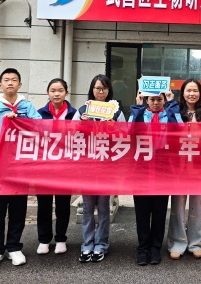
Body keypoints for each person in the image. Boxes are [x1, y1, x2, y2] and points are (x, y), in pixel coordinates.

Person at [0, 68, 42, 270]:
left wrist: (21, 121)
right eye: (6, 80)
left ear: (20, 84)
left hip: (21, 168)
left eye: (14, 80)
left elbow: (40, 128)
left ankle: (14, 247)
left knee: (18, 210)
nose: (10, 83)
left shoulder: (27, 107)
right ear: (0, 85)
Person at [73, 75, 125, 263]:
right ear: (92, 90)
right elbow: (70, 133)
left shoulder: (116, 112)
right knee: (87, 208)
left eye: (104, 88)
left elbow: (125, 135)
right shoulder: (82, 111)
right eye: (97, 88)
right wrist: (82, 125)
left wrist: (113, 127)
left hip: (107, 167)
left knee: (104, 208)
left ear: (109, 90)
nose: (100, 91)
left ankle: (101, 244)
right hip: (87, 167)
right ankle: (87, 244)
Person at [129, 89, 182, 266]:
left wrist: (172, 104)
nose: (156, 103)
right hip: (141, 168)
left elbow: (180, 129)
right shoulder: (140, 113)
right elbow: (129, 131)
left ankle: (155, 249)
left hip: (163, 168)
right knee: (142, 212)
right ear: (146, 100)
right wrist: (137, 107)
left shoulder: (169, 114)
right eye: (152, 99)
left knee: (159, 212)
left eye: (159, 99)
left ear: (164, 100)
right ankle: (143, 249)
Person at [167, 79, 201, 260]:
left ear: (200, 94)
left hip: (199, 166)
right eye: (188, 90)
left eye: (195, 91)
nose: (192, 94)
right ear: (183, 93)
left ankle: (196, 243)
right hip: (178, 166)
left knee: (198, 205)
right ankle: (177, 243)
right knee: (177, 206)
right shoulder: (175, 112)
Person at [36, 78, 78, 256]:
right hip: (44, 167)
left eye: (60, 90)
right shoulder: (39, 114)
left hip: (65, 167)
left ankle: (61, 238)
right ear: (48, 93)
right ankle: (44, 239)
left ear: (66, 92)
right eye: (53, 90)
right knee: (43, 204)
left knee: (63, 205)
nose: (56, 94)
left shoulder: (74, 114)